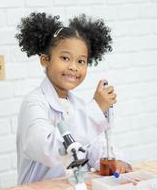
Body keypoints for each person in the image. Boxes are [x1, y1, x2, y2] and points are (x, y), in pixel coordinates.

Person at [15, 12, 132, 185]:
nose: (73, 67)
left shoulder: (78, 104)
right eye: (65, 58)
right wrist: (96, 108)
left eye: (81, 61)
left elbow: (92, 146)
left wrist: (114, 160)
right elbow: (49, 150)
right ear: (45, 60)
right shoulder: (34, 104)